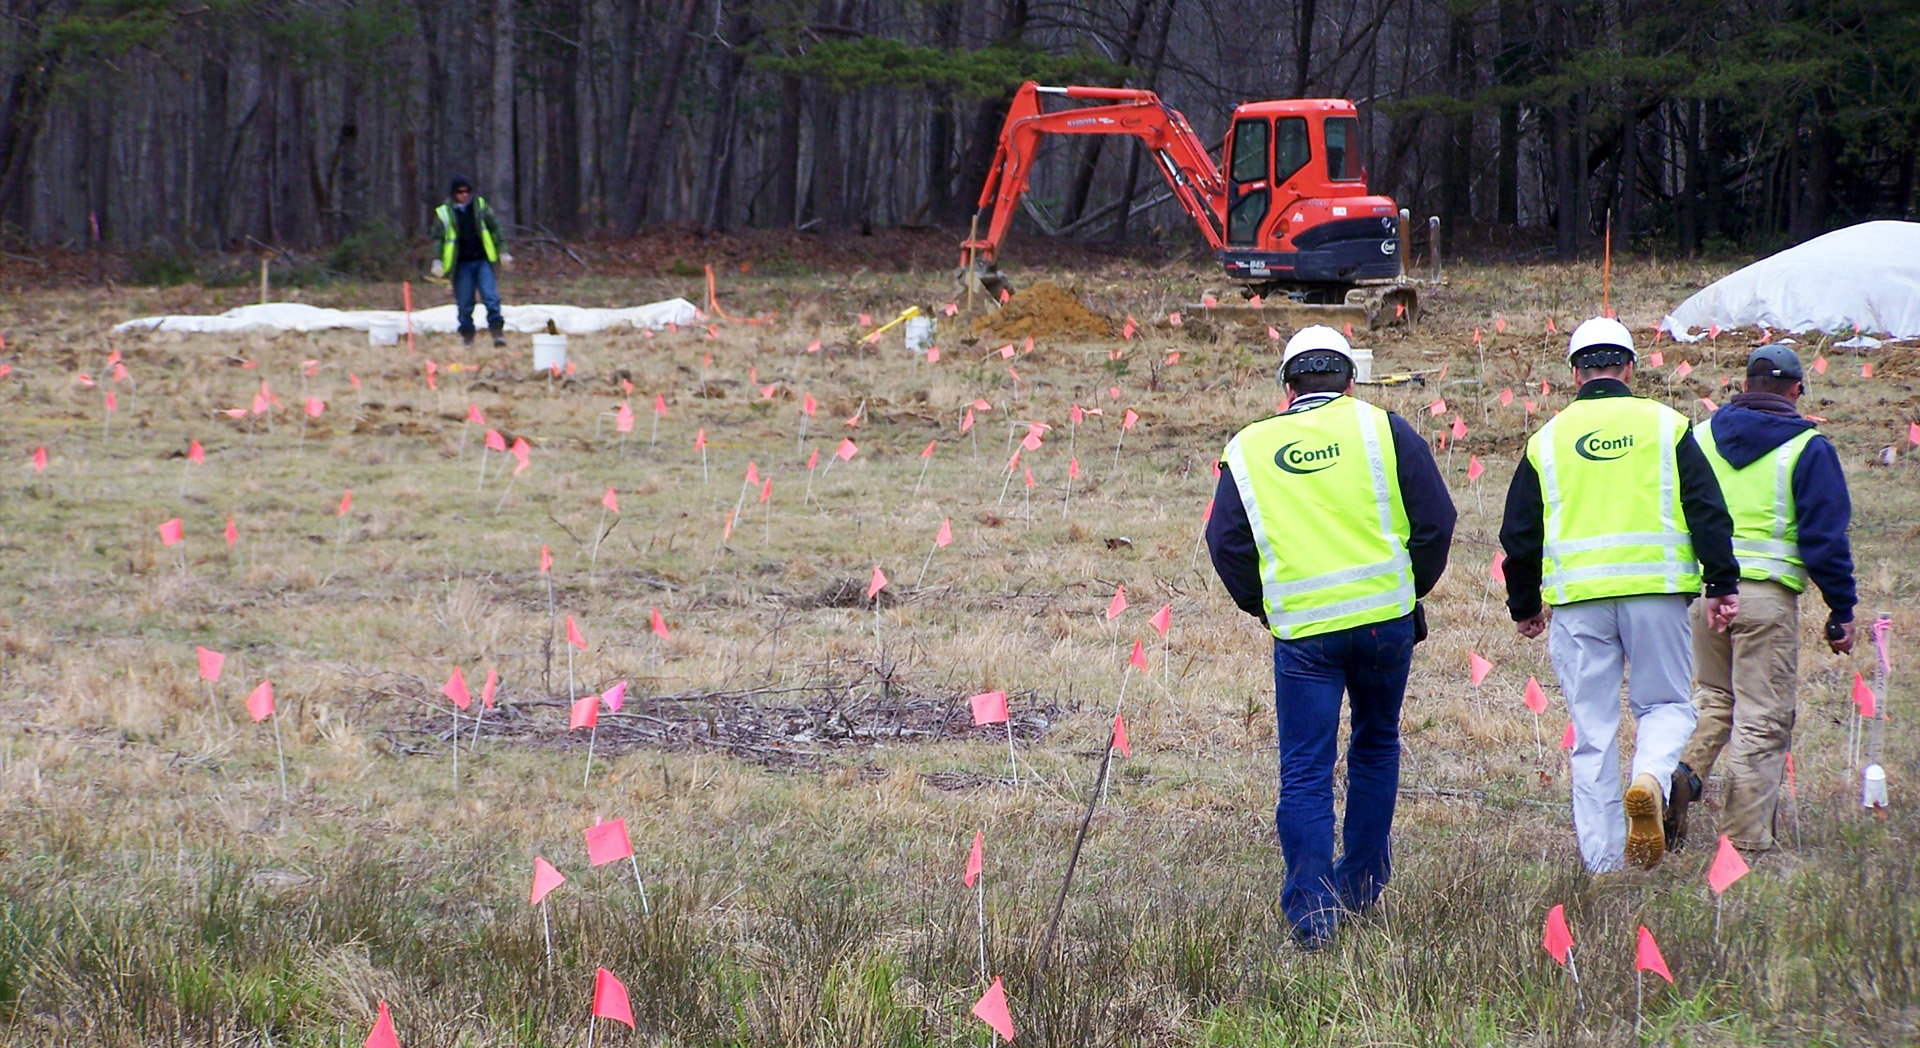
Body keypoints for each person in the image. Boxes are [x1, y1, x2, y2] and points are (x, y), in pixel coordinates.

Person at [1207, 325, 1455, 947]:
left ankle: (1314, 917)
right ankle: (1362, 889)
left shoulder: (1248, 447)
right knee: (1376, 747)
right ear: (1349, 380)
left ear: (1287, 386)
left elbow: (1225, 543)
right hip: (1385, 626)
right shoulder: (1385, 428)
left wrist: (1264, 606)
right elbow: (1437, 520)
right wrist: (1409, 590)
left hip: (1305, 636)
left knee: (1306, 770)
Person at [1500, 317, 1740, 873]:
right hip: (1656, 595)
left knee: (1592, 732)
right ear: (1630, 368)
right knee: (1667, 705)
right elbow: (1707, 508)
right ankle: (1651, 779)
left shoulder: (1548, 440)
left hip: (1579, 603)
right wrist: (1722, 582)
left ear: (1574, 373)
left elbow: (1518, 534)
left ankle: (1605, 863)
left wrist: (1525, 605)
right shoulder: (1667, 426)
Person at [1666, 345, 1855, 855]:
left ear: (1742, 385)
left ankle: (1680, 775)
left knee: (1713, 699)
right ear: (1797, 390)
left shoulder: (1699, 437)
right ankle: (1745, 838)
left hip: (1705, 596)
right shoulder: (1808, 448)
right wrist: (1841, 609)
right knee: (1762, 714)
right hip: (1765, 601)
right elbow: (1825, 538)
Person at [429, 175, 512, 346]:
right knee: (465, 303)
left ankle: (497, 333)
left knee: (491, 298)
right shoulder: (444, 213)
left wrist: (503, 252)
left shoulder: (480, 207)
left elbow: (495, 228)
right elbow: (437, 239)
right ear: (454, 193)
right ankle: (467, 337)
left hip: (482, 261)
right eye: (460, 192)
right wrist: (437, 260)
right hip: (461, 264)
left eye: (467, 191)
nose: (465, 195)